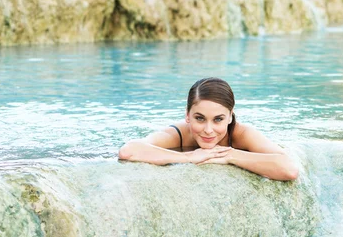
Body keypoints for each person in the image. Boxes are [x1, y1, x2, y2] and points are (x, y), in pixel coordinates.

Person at [118, 77, 299, 181]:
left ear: (230, 116)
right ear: (187, 115)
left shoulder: (242, 134)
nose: (208, 130)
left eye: (218, 119)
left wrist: (229, 155)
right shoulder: (178, 135)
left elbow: (289, 168)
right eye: (200, 118)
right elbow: (128, 151)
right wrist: (188, 157)